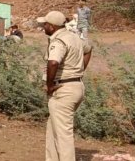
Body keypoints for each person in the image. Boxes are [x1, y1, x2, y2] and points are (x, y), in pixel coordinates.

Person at [38, 11, 93, 161]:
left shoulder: (59, 40)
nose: (43, 27)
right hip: (75, 86)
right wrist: (79, 71)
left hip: (63, 89)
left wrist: (49, 86)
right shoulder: (74, 37)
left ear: (52, 26)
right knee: (53, 130)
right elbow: (88, 49)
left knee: (63, 135)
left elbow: (53, 62)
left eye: (45, 24)